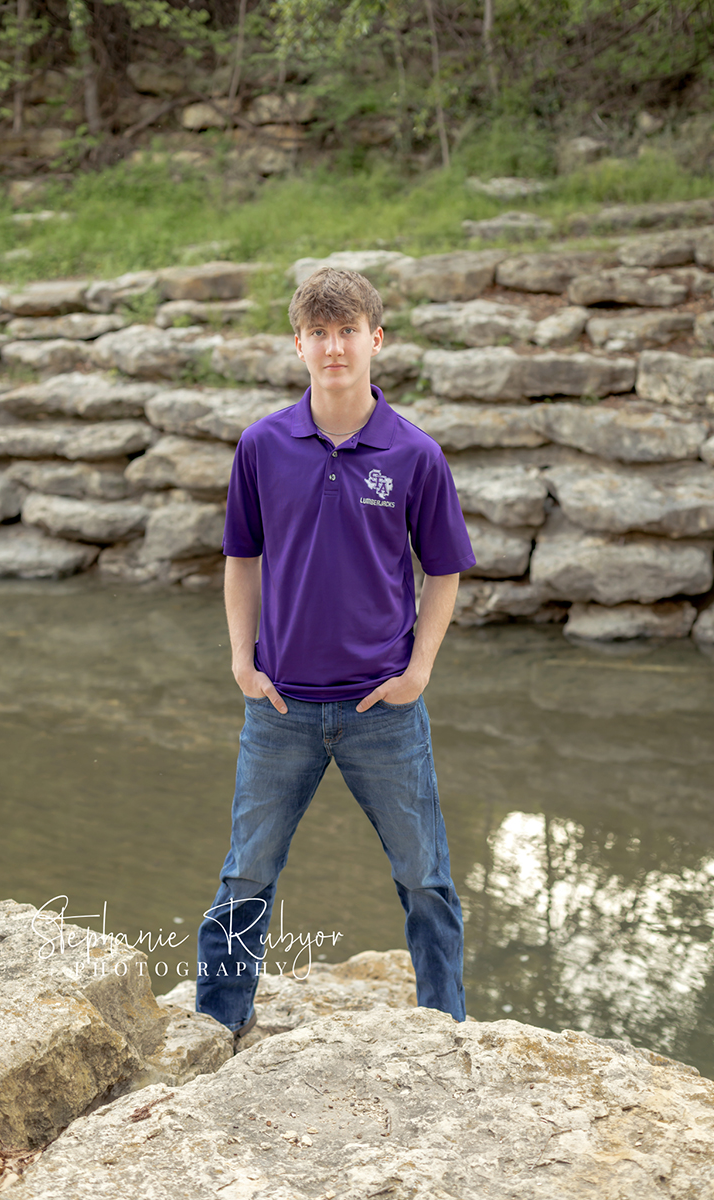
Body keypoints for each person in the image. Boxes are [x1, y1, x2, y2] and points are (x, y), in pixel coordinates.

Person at [196, 267, 476, 1034]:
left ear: (375, 339)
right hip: (280, 706)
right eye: (318, 333)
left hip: (381, 709)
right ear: (298, 344)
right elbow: (241, 559)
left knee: (425, 879)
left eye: (347, 330)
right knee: (246, 874)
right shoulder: (262, 445)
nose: (333, 347)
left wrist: (417, 672)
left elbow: (444, 572)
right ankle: (217, 1029)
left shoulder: (415, 455)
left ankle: (445, 1029)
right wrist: (241, 663)